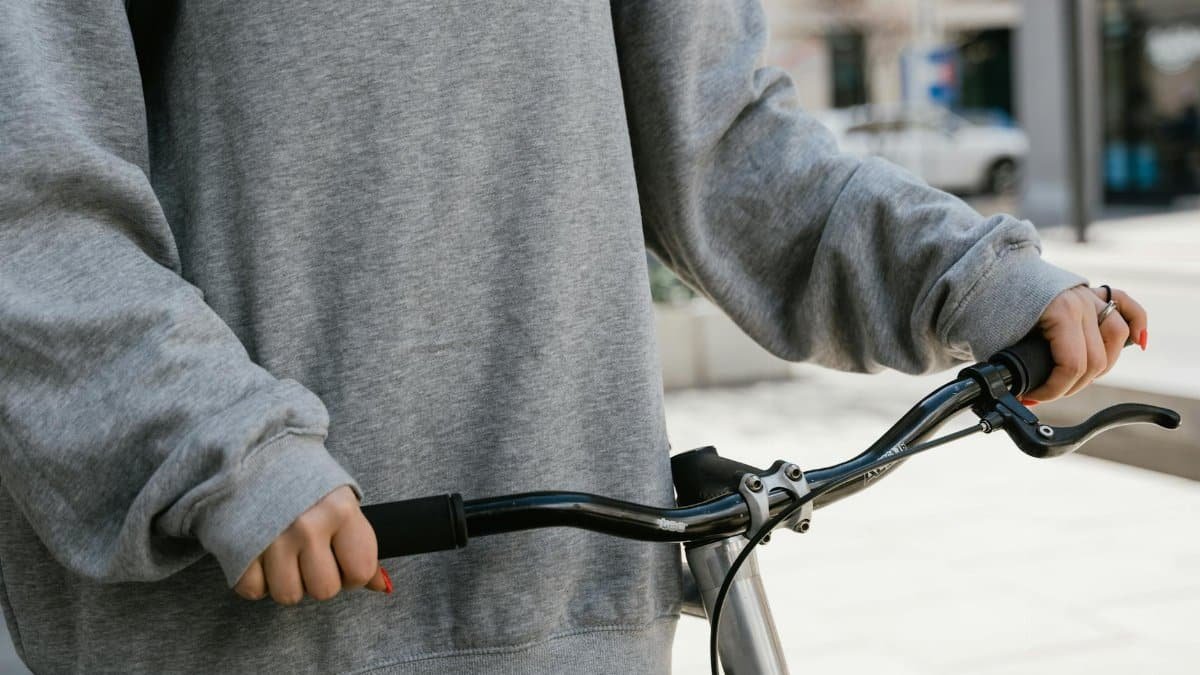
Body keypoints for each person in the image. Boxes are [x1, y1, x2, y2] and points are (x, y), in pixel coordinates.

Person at [0, 2, 1147, 673]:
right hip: (238, 631)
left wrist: (969, 278)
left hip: (571, 615)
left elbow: (723, 138)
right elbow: (26, 197)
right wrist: (222, 449)